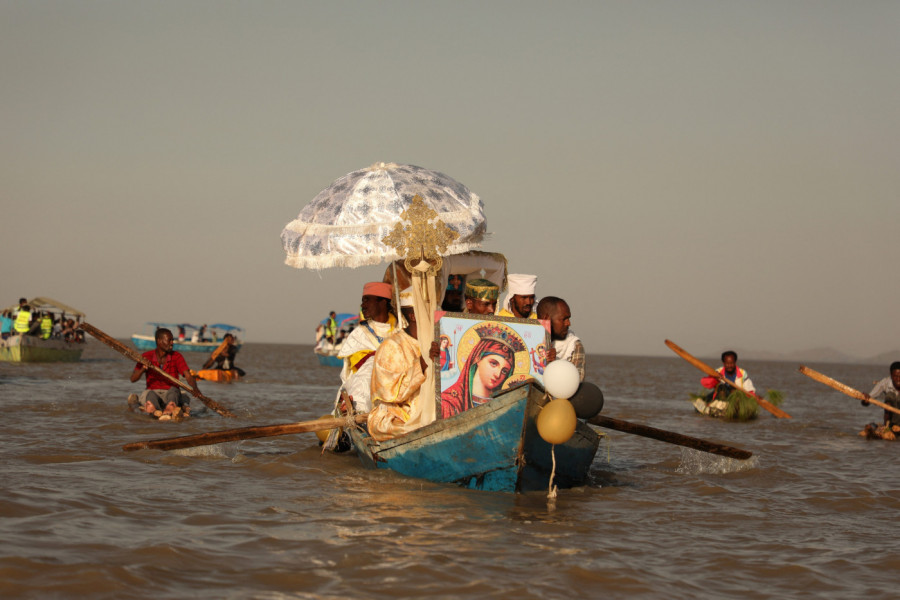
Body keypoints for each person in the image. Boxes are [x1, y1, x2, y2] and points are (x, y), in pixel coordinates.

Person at [367, 287, 440, 440]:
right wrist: (423, 363)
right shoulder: (391, 347)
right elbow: (395, 394)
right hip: (395, 416)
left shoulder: (438, 341)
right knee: (416, 430)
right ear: (414, 316)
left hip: (429, 413)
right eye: (429, 311)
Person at [335, 282, 398, 414]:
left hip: (398, 388)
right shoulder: (359, 334)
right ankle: (358, 411)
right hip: (363, 392)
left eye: (367, 300)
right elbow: (352, 374)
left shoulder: (402, 330)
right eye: (363, 301)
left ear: (382, 302)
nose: (362, 305)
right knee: (370, 366)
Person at [441, 322, 526, 418]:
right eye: (493, 363)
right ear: (477, 358)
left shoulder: (508, 407)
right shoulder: (449, 404)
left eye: (504, 371)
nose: (498, 375)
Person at [129, 327, 200, 417]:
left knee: (174, 391)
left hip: (170, 393)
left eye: (172, 340)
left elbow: (188, 376)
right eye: (169, 340)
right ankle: (153, 410)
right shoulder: (146, 356)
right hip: (153, 391)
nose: (172, 343)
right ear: (159, 341)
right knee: (150, 394)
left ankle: (170, 407)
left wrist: (195, 388)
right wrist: (143, 368)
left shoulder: (177, 356)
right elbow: (133, 379)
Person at [536, 296, 585, 381]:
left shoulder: (574, 345)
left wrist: (556, 363)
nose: (568, 323)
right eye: (564, 319)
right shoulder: (529, 340)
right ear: (546, 319)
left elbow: (577, 380)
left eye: (568, 318)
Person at [860, 362, 900, 429]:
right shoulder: (884, 383)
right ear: (891, 375)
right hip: (892, 419)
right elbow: (869, 399)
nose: (898, 379)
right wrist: (865, 400)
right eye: (896, 376)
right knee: (890, 396)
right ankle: (886, 427)